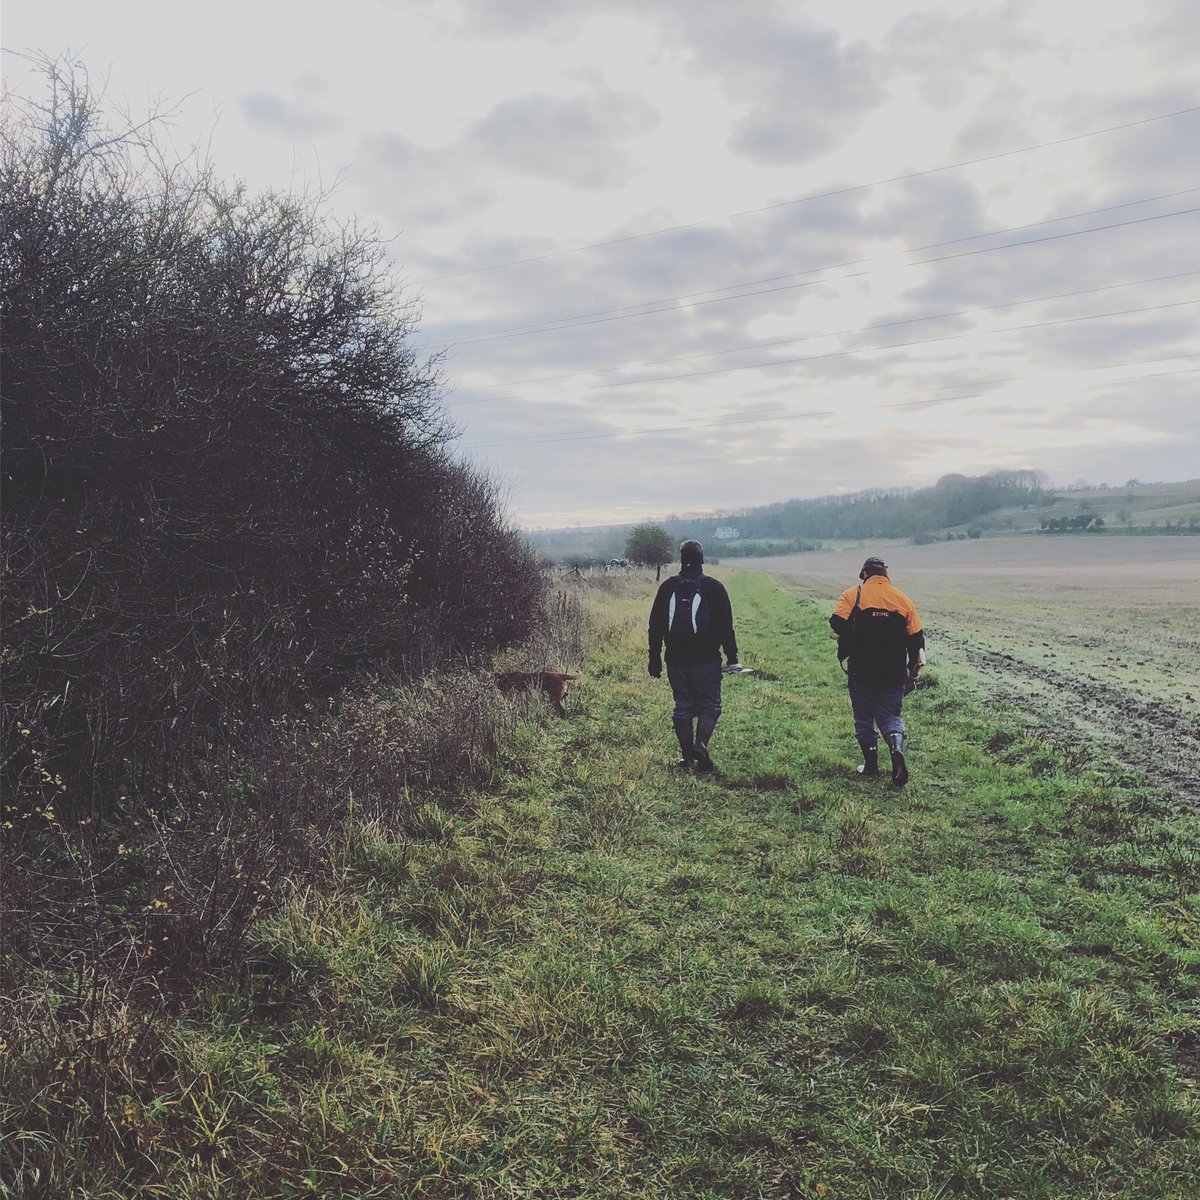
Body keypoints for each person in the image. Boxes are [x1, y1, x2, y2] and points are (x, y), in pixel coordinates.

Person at [829, 556, 925, 786]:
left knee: (863, 717)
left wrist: (857, 630)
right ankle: (896, 747)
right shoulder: (903, 600)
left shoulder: (852, 595)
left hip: (860, 668)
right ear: (886, 575)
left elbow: (836, 623)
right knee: (891, 716)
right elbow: (917, 640)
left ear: (864, 574)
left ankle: (871, 765)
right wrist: (913, 672)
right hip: (893, 671)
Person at [647, 540, 739, 771]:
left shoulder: (668, 587)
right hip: (707, 659)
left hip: (675, 659)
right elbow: (726, 626)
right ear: (702, 559)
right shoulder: (714, 588)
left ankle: (687, 759)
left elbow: (655, 625)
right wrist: (732, 656)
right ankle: (701, 745)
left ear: (681, 559)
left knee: (683, 705)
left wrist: (654, 656)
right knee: (710, 703)